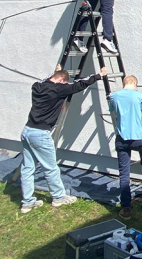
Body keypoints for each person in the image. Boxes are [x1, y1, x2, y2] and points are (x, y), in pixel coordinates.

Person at [20, 68, 101, 213]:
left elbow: (46, 80)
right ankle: (58, 197)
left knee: (27, 168)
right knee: (50, 168)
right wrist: (99, 76)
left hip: (27, 131)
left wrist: (55, 73)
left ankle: (27, 203)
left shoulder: (37, 86)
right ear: (62, 80)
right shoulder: (59, 89)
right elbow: (79, 85)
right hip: (41, 134)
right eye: (65, 82)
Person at [109, 75, 142, 219]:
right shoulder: (139, 96)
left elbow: (114, 116)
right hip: (137, 137)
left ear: (124, 83)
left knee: (124, 174)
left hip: (122, 138)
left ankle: (126, 209)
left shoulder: (114, 97)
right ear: (135, 83)